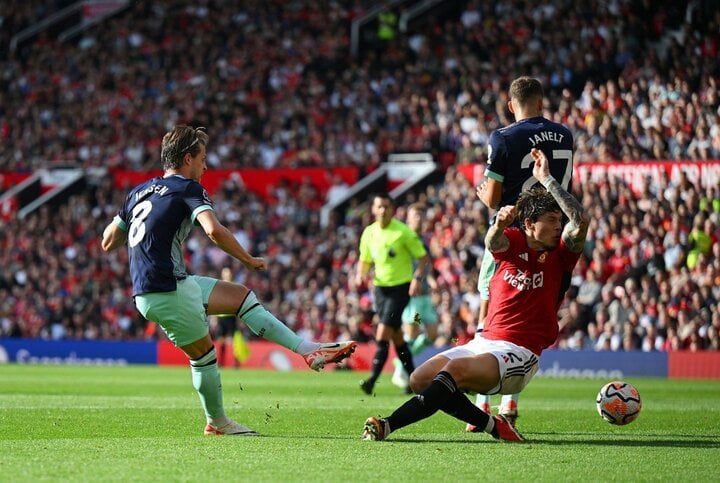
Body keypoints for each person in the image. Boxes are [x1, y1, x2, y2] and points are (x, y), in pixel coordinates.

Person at [101, 125, 356, 436]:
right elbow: (213, 230)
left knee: (240, 297)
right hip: (166, 289)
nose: (206, 166)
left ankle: (308, 349)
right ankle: (218, 423)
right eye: (203, 159)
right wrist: (247, 259)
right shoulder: (188, 188)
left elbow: (108, 240)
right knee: (204, 356)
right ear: (187, 158)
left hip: (163, 284)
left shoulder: (137, 192)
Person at [362, 147, 589, 442]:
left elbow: (580, 221)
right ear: (531, 225)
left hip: (520, 353)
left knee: (452, 371)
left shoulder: (561, 256)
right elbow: (492, 240)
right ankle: (495, 426)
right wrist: (499, 224)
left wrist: (546, 179)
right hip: (484, 342)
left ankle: (387, 425)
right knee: (420, 379)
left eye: (560, 221)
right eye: (552, 220)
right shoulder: (512, 240)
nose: (559, 226)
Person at [473, 76, 574, 426]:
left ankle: (482, 405)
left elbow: (494, 199)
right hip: (552, 234)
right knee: (531, 317)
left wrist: (481, 191)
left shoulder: (502, 137)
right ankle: (510, 406)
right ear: (541, 102)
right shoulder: (564, 134)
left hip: (515, 235)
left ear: (510, 103)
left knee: (492, 312)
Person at [355, 193, 430, 395]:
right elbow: (365, 259)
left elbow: (423, 258)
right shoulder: (369, 232)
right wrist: (360, 274)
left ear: (392, 209)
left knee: (383, 330)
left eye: (386, 207)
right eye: (379, 206)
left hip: (400, 288)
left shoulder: (403, 232)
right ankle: (415, 381)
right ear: (373, 209)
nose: (383, 210)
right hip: (380, 289)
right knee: (397, 337)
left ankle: (372, 380)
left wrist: (416, 279)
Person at [390, 203, 439, 391]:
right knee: (412, 333)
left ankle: (400, 361)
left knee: (433, 334)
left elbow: (427, 266)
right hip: (412, 297)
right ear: (408, 219)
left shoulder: (423, 241)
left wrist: (433, 282)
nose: (419, 219)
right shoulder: (403, 238)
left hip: (426, 296)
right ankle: (404, 368)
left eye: (421, 215)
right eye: (415, 216)